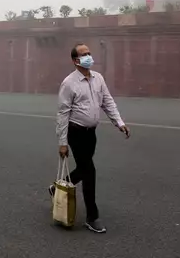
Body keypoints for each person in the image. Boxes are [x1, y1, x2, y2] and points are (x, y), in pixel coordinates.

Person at [49, 43, 130, 234]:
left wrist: (119, 122)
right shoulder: (69, 83)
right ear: (75, 61)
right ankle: (92, 217)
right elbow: (62, 113)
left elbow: (107, 101)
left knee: (84, 169)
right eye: (84, 54)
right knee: (89, 171)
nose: (89, 57)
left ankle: (56, 189)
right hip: (75, 132)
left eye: (89, 53)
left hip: (91, 134)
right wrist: (62, 143)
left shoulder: (98, 78)